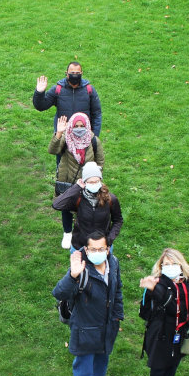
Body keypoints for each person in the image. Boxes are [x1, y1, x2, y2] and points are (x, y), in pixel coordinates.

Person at [52, 232, 124, 376]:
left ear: (108, 249)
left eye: (101, 248)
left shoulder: (113, 263)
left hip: (107, 326)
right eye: (93, 249)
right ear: (86, 249)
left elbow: (118, 291)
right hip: (84, 330)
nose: (98, 252)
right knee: (83, 368)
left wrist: (117, 316)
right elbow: (59, 292)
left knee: (102, 358)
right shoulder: (80, 270)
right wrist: (73, 276)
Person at [138, 248, 189, 376]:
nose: (170, 267)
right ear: (161, 267)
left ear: (181, 264)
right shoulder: (157, 284)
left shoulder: (187, 281)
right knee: (158, 365)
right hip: (161, 332)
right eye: (166, 264)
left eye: (174, 263)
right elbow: (147, 311)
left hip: (180, 330)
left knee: (174, 362)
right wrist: (150, 291)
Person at [49, 113, 104, 249]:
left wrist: (95, 178)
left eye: (82, 126)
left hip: (87, 182)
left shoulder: (93, 141)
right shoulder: (66, 137)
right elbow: (52, 150)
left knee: (86, 207)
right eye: (76, 126)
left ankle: (83, 232)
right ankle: (67, 233)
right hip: (67, 179)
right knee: (66, 207)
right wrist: (59, 133)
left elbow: (100, 161)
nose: (79, 128)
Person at [52, 162, 122, 253]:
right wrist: (76, 187)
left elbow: (118, 220)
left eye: (97, 181)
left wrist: (109, 239)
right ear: (84, 182)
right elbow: (57, 205)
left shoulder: (110, 199)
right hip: (79, 246)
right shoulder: (78, 197)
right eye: (90, 182)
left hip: (102, 246)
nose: (94, 184)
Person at [33, 61, 103, 137]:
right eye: (72, 73)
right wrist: (39, 92)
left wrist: (94, 137)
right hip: (63, 135)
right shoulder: (58, 89)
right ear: (66, 73)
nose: (75, 75)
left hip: (83, 136)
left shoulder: (89, 90)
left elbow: (97, 114)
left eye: (77, 73)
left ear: (81, 73)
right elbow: (40, 106)